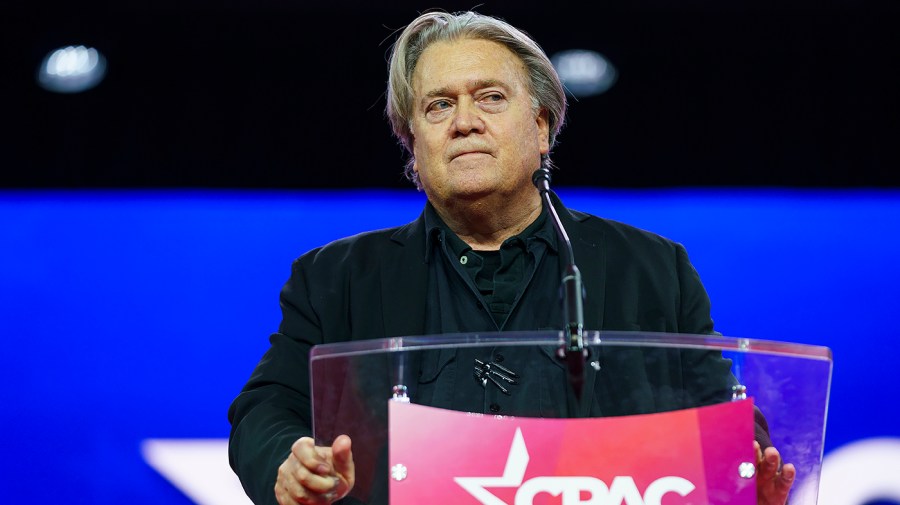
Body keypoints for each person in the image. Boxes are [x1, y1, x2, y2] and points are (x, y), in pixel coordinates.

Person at [228, 10, 795, 505]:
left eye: (491, 98)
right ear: (413, 145)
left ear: (542, 127)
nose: (464, 121)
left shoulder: (651, 269)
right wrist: (289, 463)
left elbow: (723, 414)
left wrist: (744, 473)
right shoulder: (335, 279)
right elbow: (267, 408)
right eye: (438, 105)